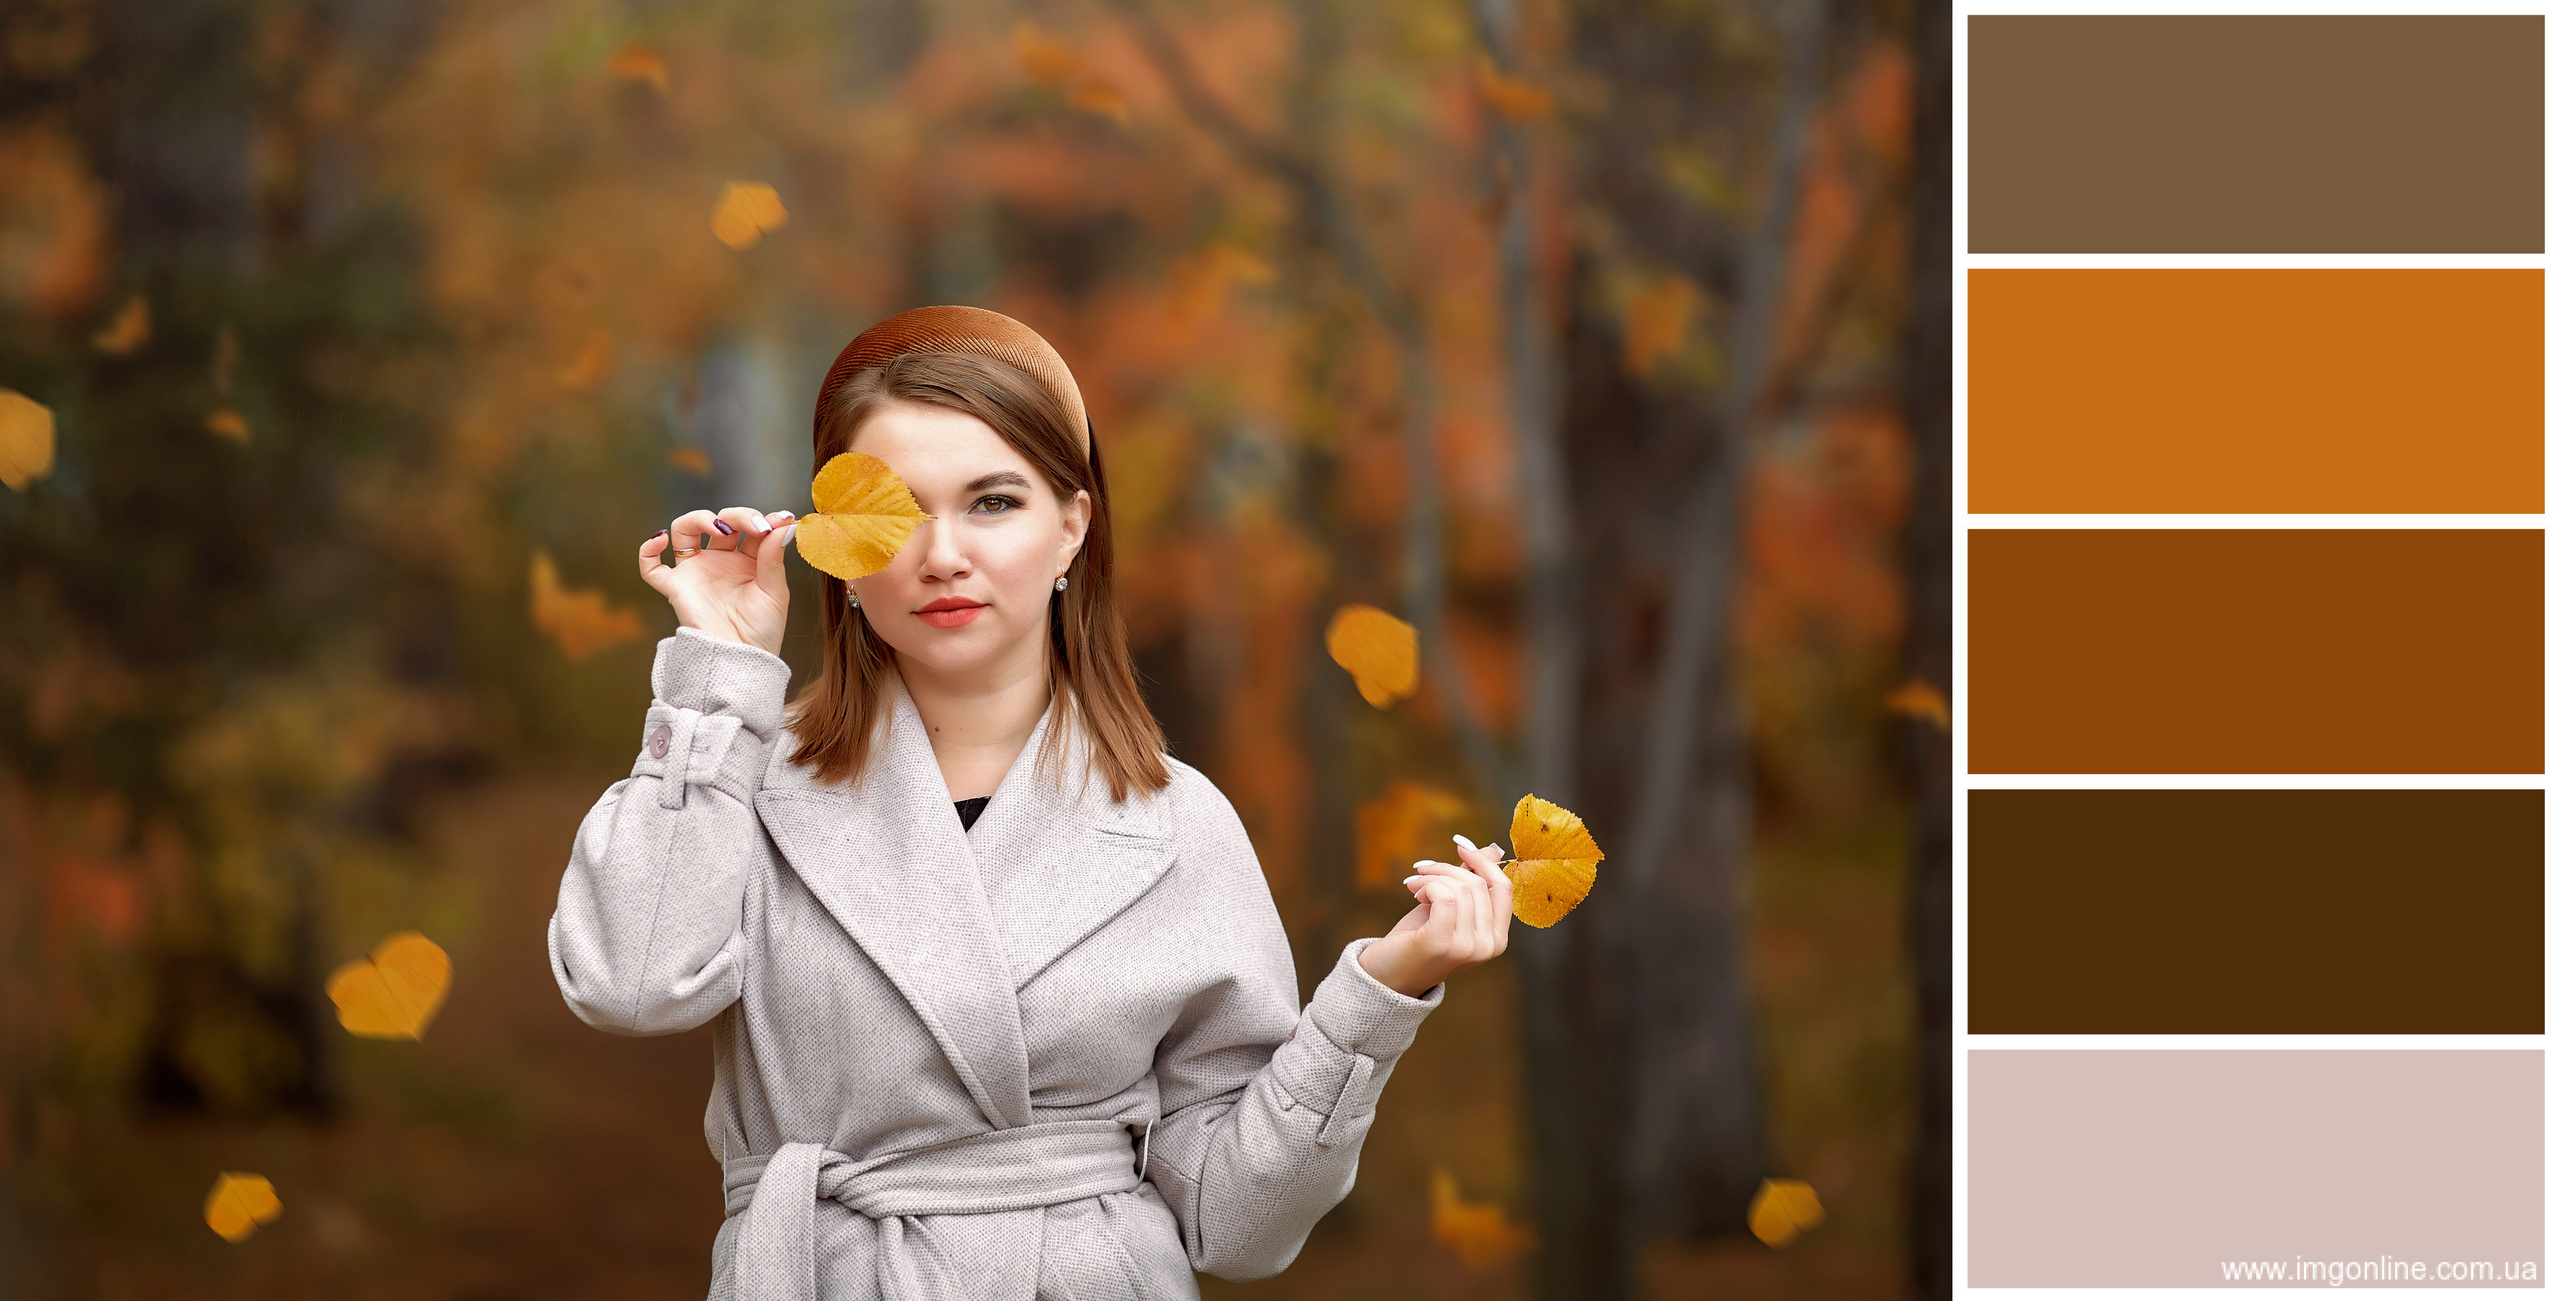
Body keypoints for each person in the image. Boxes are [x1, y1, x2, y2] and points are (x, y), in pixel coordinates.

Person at [547, 306, 1516, 1301]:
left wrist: (1381, 993)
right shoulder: (743, 781)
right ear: (836, 544)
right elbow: (628, 983)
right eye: (895, 509)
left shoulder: (1174, 823)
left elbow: (1239, 1222)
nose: (941, 551)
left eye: (993, 501)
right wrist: (720, 674)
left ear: (1071, 528)